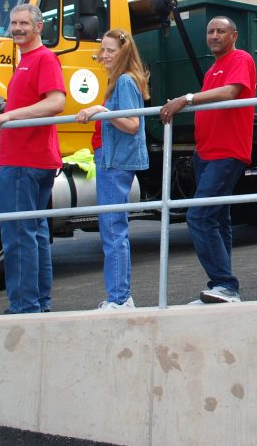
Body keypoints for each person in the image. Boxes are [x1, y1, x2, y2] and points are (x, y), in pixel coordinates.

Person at [160, 16, 256, 304]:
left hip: (227, 152)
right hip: (207, 153)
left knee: (199, 217)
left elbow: (231, 91)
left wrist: (186, 99)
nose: (214, 35)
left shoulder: (240, 58)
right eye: (210, 31)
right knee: (218, 221)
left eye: (221, 31)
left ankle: (225, 284)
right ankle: (224, 289)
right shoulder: (214, 68)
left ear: (234, 35)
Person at [0, 4, 67, 314]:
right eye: (14, 23)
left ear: (38, 27)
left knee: (19, 235)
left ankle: (24, 307)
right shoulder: (25, 62)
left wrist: (6, 116)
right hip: (20, 160)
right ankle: (38, 303)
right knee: (34, 232)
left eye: (23, 23)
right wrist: (2, 157)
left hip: (27, 161)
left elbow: (56, 102)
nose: (17, 28)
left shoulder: (44, 59)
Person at [75, 29, 150, 311]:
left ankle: (119, 298)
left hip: (114, 161)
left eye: (110, 50)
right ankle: (119, 296)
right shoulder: (120, 80)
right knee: (112, 229)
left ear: (123, 53)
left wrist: (100, 110)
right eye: (102, 50)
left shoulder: (125, 81)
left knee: (112, 229)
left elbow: (132, 124)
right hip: (109, 159)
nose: (103, 55)